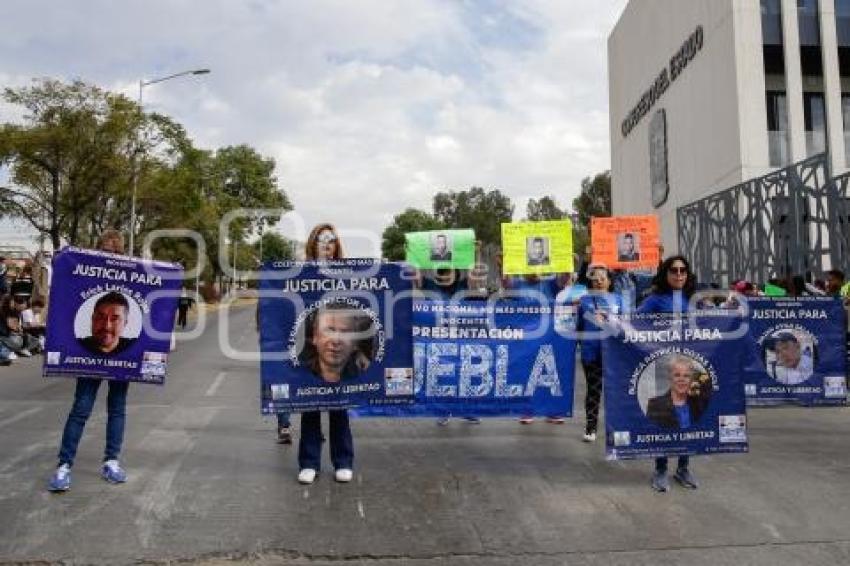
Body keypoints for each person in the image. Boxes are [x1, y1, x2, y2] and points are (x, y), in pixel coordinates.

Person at [48, 229, 132, 492]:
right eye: (105, 251)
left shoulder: (131, 274)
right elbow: (65, 282)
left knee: (117, 408)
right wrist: (61, 259)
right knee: (81, 408)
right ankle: (64, 465)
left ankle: (111, 461)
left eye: (115, 252)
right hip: (88, 358)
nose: (110, 256)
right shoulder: (87, 273)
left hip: (123, 361)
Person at [297, 223, 355, 485]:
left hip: (338, 347)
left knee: (338, 407)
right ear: (313, 244)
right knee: (309, 405)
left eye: (331, 240)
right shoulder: (300, 272)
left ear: (336, 246)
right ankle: (309, 463)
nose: (326, 245)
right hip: (312, 344)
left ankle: (343, 461)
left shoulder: (349, 272)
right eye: (321, 240)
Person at [637, 255, 699, 492]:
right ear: (666, 273)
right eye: (674, 270)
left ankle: (683, 467)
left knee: (686, 419)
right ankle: (661, 469)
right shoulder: (655, 299)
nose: (679, 274)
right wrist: (610, 320)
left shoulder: (693, 298)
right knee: (664, 419)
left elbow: (713, 321)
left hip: (688, 366)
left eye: (683, 270)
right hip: (662, 368)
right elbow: (633, 321)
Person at [576, 265, 623, 441]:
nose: (599, 281)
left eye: (603, 278)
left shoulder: (619, 300)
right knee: (593, 391)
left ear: (610, 281)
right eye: (595, 278)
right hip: (591, 352)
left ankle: (617, 429)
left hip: (614, 353)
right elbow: (577, 327)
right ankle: (591, 428)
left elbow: (626, 324)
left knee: (615, 392)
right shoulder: (583, 301)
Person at [299, 302, 371, 383]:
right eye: (329, 331)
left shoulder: (369, 378)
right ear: (315, 336)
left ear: (355, 343)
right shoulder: (296, 375)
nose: (336, 341)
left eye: (344, 332)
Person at [646, 354, 710, 429]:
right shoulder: (655, 405)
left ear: (691, 379)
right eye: (677, 375)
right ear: (670, 377)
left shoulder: (700, 404)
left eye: (686, 376)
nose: (681, 379)